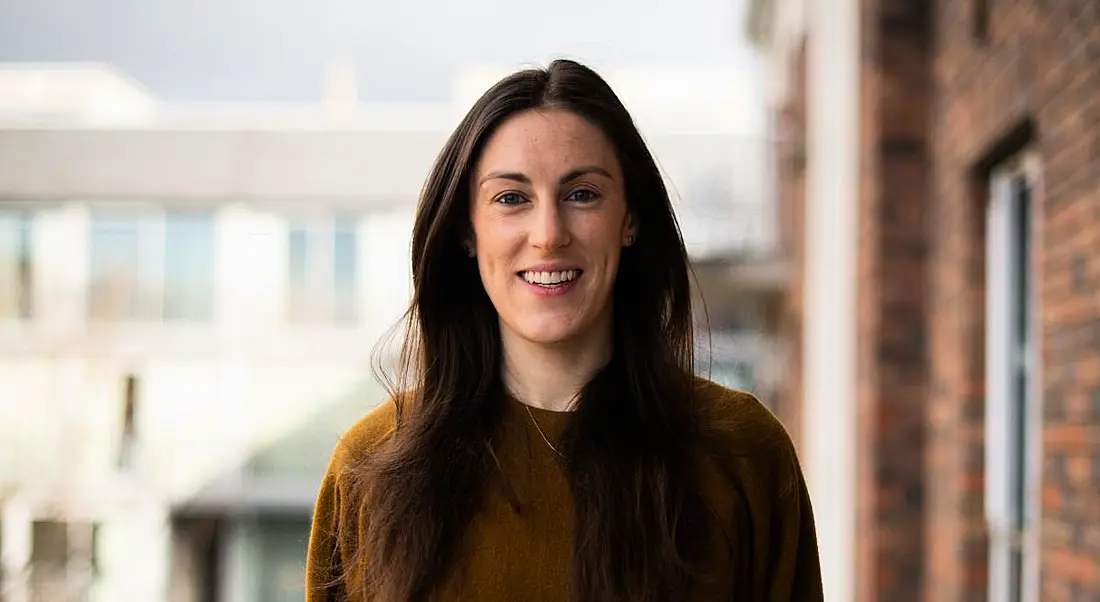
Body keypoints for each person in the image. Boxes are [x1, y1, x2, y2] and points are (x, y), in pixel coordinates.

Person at [305, 58, 823, 602]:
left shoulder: (740, 452)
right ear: (466, 230)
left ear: (630, 220)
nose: (548, 234)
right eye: (511, 198)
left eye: (582, 194)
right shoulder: (372, 467)